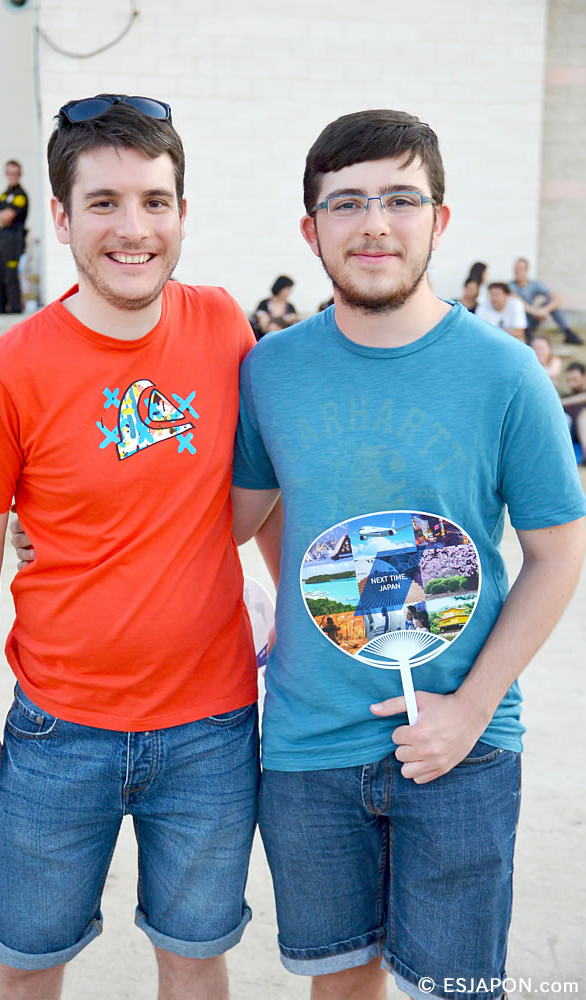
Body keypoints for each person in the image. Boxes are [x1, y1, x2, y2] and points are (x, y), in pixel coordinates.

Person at [230, 109, 586, 1000]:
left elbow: (557, 554)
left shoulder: (507, 374)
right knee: (340, 985)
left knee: (456, 988)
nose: (375, 224)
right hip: (309, 744)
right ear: (311, 230)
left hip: (462, 746)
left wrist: (471, 708)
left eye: (400, 198)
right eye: (346, 202)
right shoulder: (270, 370)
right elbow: (244, 513)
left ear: (440, 218)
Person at [0, 95, 265, 1000]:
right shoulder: (7, 370)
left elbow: (262, 488)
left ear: (183, 213)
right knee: (24, 965)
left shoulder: (225, 327)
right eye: (104, 203)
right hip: (58, 733)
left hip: (211, 731)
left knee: (195, 959)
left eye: (155, 201)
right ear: (60, 217)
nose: (134, 228)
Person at [509, 256, 583, 346]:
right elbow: (519, 303)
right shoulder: (509, 286)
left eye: (520, 268)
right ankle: (528, 337)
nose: (517, 271)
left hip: (533, 316)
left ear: (526, 270)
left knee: (550, 301)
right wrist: (537, 312)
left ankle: (567, 332)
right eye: (515, 268)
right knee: (519, 310)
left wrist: (544, 310)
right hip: (521, 318)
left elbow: (557, 298)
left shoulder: (534, 284)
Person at [0, 159, 28, 314]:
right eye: (10, 173)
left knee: (10, 277)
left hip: (14, 242)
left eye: (15, 173)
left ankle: (14, 310)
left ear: (20, 174)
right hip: (1, 242)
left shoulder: (20, 195)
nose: (12, 176)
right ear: (6, 174)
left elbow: (7, 217)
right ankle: (0, 309)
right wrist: (0, 218)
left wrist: (0, 218)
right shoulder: (4, 195)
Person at [251, 274, 300, 339]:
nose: (289, 292)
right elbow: (265, 328)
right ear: (280, 288)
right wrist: (286, 319)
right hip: (265, 339)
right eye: (288, 289)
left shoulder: (290, 307)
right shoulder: (264, 304)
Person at [562, 361, 586, 461]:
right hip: (572, 432)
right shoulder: (565, 396)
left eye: (575, 379)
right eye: (569, 380)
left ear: (584, 377)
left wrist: (562, 402)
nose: (572, 383)